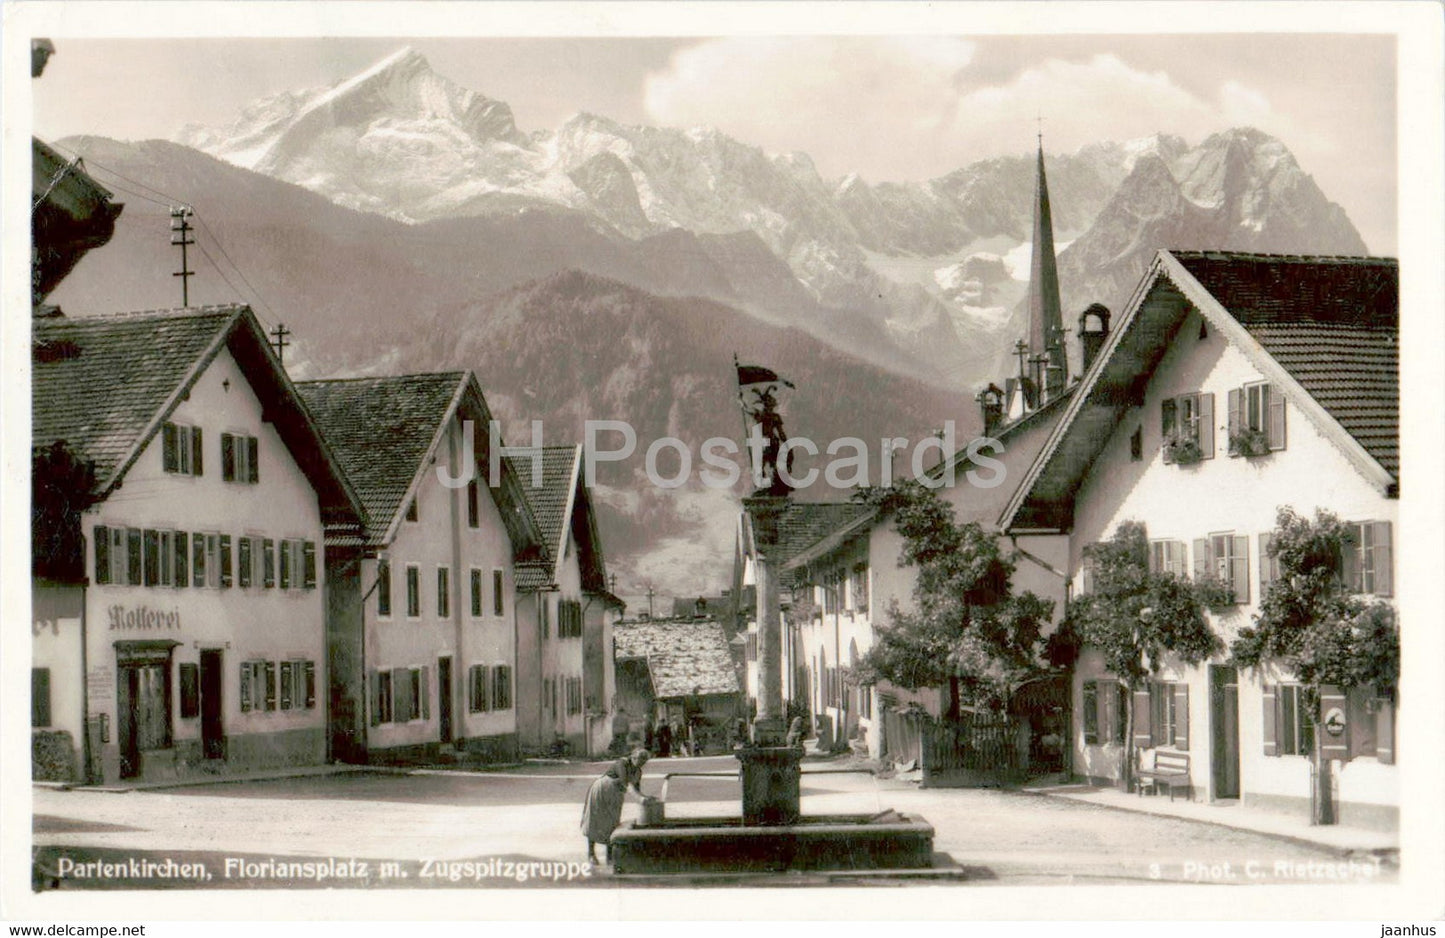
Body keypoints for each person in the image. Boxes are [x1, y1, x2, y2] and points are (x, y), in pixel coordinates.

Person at [581, 748, 652, 865]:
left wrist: (646, 799)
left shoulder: (638, 772)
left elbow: (637, 790)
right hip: (601, 790)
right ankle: (591, 854)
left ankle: (610, 856)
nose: (641, 764)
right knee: (595, 820)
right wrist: (640, 798)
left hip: (616, 794)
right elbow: (626, 784)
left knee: (612, 822)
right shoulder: (622, 763)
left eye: (644, 762)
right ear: (633, 757)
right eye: (640, 761)